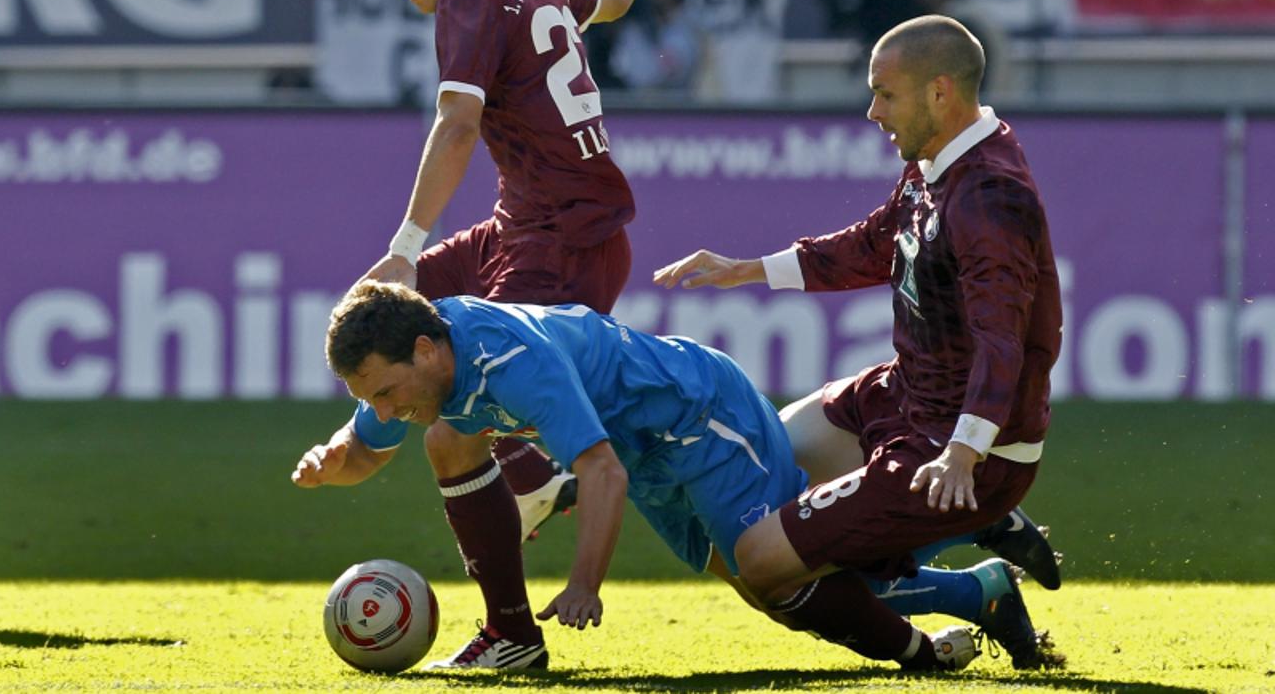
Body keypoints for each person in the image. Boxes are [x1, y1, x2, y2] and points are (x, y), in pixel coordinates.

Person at [293, 281, 1007, 673]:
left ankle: (926, 641)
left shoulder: (508, 359)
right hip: (649, 451)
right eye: (369, 398)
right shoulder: (418, 371)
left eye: (384, 392)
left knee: (775, 572)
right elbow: (367, 446)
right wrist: (332, 460)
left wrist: (583, 583)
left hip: (700, 414)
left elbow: (598, 473)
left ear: (424, 352)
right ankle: (977, 587)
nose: (385, 408)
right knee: (759, 582)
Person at [653, 14, 1064, 669]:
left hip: (958, 445)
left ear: (939, 92)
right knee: (756, 474)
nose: (872, 110)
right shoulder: (938, 161)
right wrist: (749, 267)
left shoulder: (989, 195)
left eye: (885, 92)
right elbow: (877, 242)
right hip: (902, 396)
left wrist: (962, 454)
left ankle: (929, 638)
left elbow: (1002, 342)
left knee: (762, 562)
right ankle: (967, 542)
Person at [346, 0, 674, 668]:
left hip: (556, 239)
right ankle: (402, 443)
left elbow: (458, 124)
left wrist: (409, 237)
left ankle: (517, 608)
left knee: (454, 443)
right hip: (532, 228)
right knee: (382, 315)